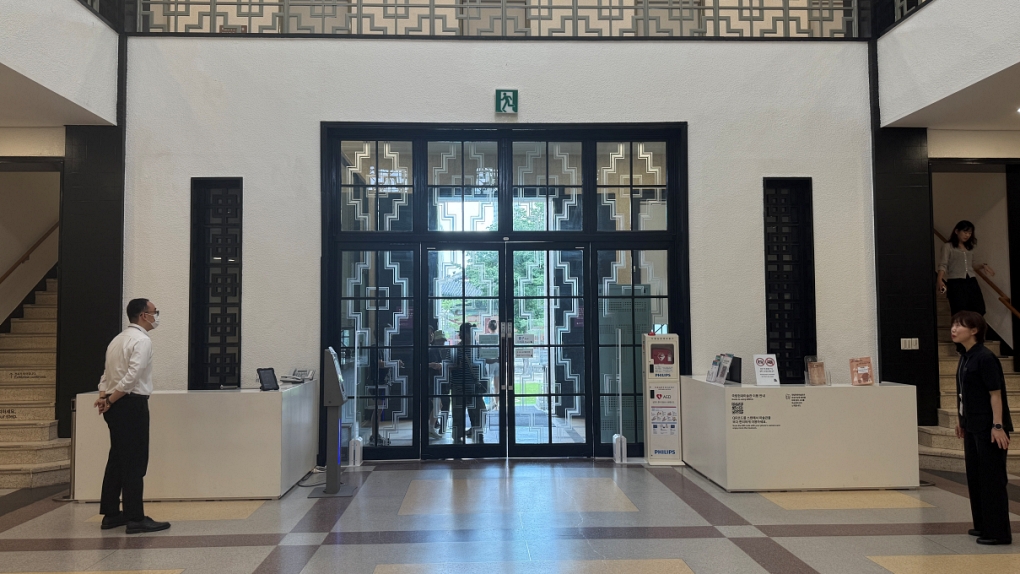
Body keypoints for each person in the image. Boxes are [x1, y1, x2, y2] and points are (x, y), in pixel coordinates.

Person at [93, 298, 170, 534]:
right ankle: (136, 518)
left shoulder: (117, 340)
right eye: (154, 312)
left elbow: (106, 375)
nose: (156, 316)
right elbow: (132, 376)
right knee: (135, 462)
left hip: (115, 406)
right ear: (143, 315)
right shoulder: (141, 340)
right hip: (131, 404)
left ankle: (111, 514)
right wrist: (111, 399)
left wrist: (104, 397)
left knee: (117, 459)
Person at [951, 311, 1012, 545]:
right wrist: (960, 420)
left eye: (960, 325)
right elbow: (963, 393)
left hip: (989, 427)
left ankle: (998, 532)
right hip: (972, 425)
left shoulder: (985, 357)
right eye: (954, 324)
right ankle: (983, 525)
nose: (954, 329)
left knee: (992, 480)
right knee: (976, 476)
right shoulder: (965, 356)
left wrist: (998, 425)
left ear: (974, 330)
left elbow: (995, 394)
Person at [937, 220, 995, 318]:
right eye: (965, 232)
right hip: (956, 282)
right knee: (959, 310)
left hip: (971, 280)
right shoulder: (948, 246)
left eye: (969, 233)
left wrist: (983, 265)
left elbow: (971, 265)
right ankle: (959, 331)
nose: (967, 235)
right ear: (956, 231)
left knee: (979, 308)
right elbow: (943, 264)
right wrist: (939, 280)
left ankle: (972, 332)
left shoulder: (969, 248)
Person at [449, 323, 485, 444]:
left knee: (479, 412)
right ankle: (458, 437)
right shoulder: (456, 349)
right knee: (458, 414)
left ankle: (477, 433)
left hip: (474, 386)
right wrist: (455, 366)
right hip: (459, 386)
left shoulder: (478, 348)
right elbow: (447, 366)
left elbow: (485, 363)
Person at [427, 327, 448, 441]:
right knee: (437, 405)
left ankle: (431, 428)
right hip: (429, 381)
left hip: (435, 381)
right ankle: (430, 428)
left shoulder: (434, 349)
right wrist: (432, 365)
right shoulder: (427, 349)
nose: (430, 336)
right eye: (428, 334)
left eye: (431, 334)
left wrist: (439, 365)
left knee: (438, 405)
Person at [484, 319, 500, 411]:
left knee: (488, 383)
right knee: (497, 385)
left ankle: (492, 403)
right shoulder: (499, 337)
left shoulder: (487, 337)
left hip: (490, 362)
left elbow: (484, 350)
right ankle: (496, 405)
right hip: (498, 362)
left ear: (488, 327)